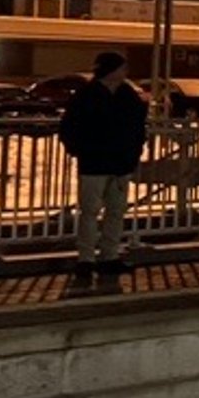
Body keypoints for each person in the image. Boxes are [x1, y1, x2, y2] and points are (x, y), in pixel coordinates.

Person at [58, 51, 147, 291]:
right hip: (98, 162)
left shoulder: (122, 95)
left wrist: (133, 153)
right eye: (122, 67)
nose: (126, 72)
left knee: (112, 212)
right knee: (92, 211)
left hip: (113, 162)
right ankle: (88, 257)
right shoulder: (92, 95)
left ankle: (107, 255)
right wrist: (79, 150)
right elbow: (69, 127)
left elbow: (139, 128)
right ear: (112, 69)